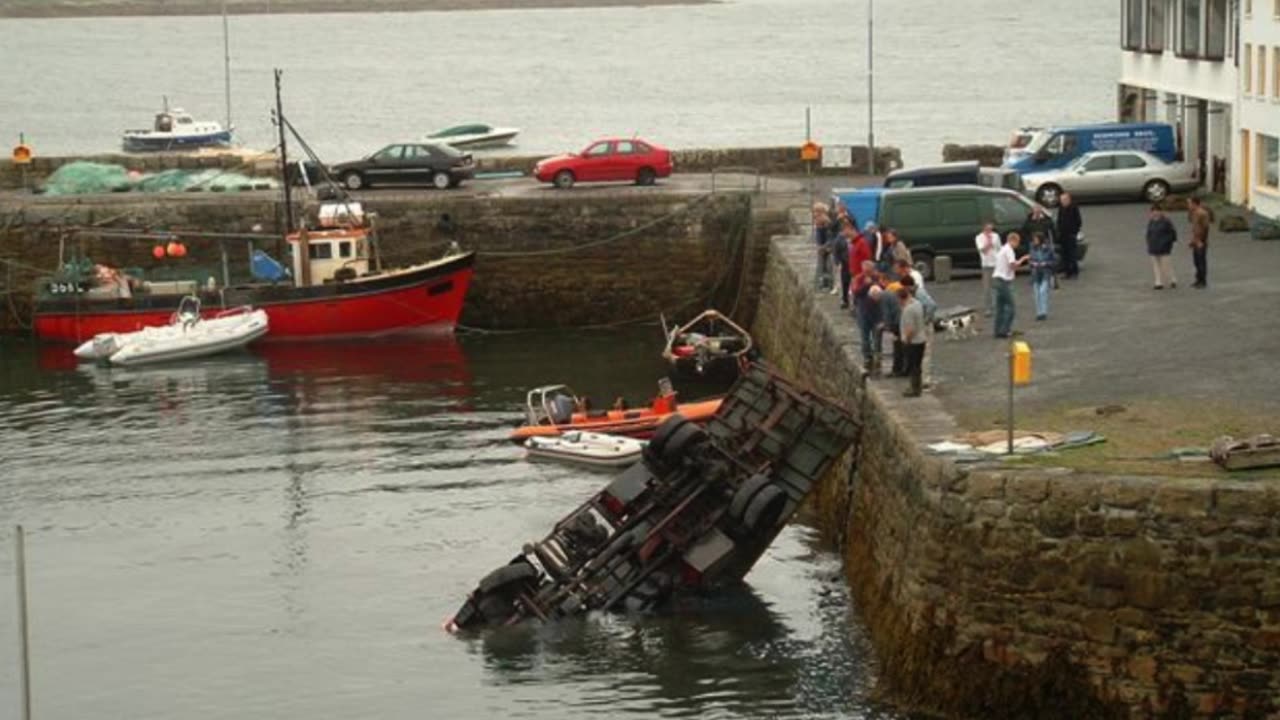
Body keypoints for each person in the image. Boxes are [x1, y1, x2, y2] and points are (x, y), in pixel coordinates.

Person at [901, 274, 937, 390]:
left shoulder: (919, 294)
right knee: (921, 354)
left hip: (924, 327)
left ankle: (925, 381)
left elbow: (932, 305)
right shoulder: (916, 293)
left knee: (926, 353)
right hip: (921, 327)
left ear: (908, 286)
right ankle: (920, 380)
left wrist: (925, 320)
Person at [993, 231, 1028, 338]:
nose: (1018, 245)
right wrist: (1023, 259)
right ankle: (1005, 330)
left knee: (1000, 307)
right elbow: (1013, 265)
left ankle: (998, 330)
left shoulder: (1002, 249)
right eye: (1017, 242)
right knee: (1011, 307)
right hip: (1004, 281)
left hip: (997, 279)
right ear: (1013, 240)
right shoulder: (1009, 250)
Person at [897, 284, 927, 397]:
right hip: (922, 339)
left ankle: (914, 389)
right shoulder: (917, 304)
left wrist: (906, 340)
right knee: (918, 366)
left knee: (913, 366)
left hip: (913, 342)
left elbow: (910, 329)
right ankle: (917, 387)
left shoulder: (908, 310)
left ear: (901, 298)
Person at [852, 261, 882, 374]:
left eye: (870, 270)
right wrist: (866, 285)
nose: (868, 273)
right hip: (863, 311)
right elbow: (855, 292)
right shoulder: (858, 279)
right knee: (864, 335)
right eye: (866, 271)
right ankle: (867, 356)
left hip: (877, 312)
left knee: (877, 335)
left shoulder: (878, 277)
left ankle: (877, 354)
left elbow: (885, 287)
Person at [1145, 205, 1178, 289]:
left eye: (1157, 211)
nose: (1155, 213)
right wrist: (1148, 242)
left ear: (1160, 212)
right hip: (1153, 246)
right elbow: (1148, 233)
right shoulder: (1151, 221)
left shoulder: (1166, 221)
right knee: (1155, 265)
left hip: (1164, 246)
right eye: (1153, 211)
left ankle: (1172, 279)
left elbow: (1173, 233)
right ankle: (1158, 282)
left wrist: (1169, 243)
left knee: (1165, 265)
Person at [1028, 231, 1057, 321]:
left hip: (1045, 272)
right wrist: (1033, 263)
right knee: (1036, 293)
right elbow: (1030, 260)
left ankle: (1044, 311)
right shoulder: (1032, 248)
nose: (1034, 241)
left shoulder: (1048, 249)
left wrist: (1046, 263)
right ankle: (1039, 312)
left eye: (1036, 239)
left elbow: (1054, 261)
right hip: (1036, 273)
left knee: (1043, 291)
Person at [974, 222, 1001, 317]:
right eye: (988, 227)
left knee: (997, 286)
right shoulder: (979, 237)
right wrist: (989, 241)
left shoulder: (996, 236)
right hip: (986, 265)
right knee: (987, 288)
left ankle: (998, 306)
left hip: (996, 263)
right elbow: (983, 250)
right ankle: (988, 308)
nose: (990, 229)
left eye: (991, 227)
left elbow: (999, 248)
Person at [1056, 193, 1082, 279]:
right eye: (1061, 200)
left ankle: (1075, 271)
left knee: (1072, 254)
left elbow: (1078, 221)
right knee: (1065, 255)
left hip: (1071, 235)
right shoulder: (1061, 209)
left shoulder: (1074, 208)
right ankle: (1067, 272)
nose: (1062, 202)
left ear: (1068, 200)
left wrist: (1074, 232)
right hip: (1063, 235)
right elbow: (1059, 220)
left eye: (1064, 200)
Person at [1188, 196, 1210, 288]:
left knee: (1201, 261)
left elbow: (1205, 228)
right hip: (1196, 239)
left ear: (1194, 203)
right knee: (1196, 261)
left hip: (1201, 240)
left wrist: (1201, 241)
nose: (1188, 205)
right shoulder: (1193, 213)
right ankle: (1198, 279)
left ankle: (1203, 281)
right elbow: (1194, 227)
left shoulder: (1202, 213)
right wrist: (1193, 240)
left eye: (1189, 203)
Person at [812, 203, 834, 291]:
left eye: (816, 212)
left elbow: (830, 238)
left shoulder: (826, 223)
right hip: (822, 248)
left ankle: (827, 285)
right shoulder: (819, 222)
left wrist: (823, 247)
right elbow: (818, 237)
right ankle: (822, 284)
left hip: (826, 250)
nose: (814, 214)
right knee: (822, 267)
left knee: (827, 267)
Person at [832, 222, 853, 305]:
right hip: (844, 263)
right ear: (844, 230)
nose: (850, 231)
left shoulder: (851, 238)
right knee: (844, 282)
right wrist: (838, 262)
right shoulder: (839, 239)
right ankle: (844, 300)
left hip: (851, 263)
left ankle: (848, 299)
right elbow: (836, 252)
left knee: (850, 282)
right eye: (848, 230)